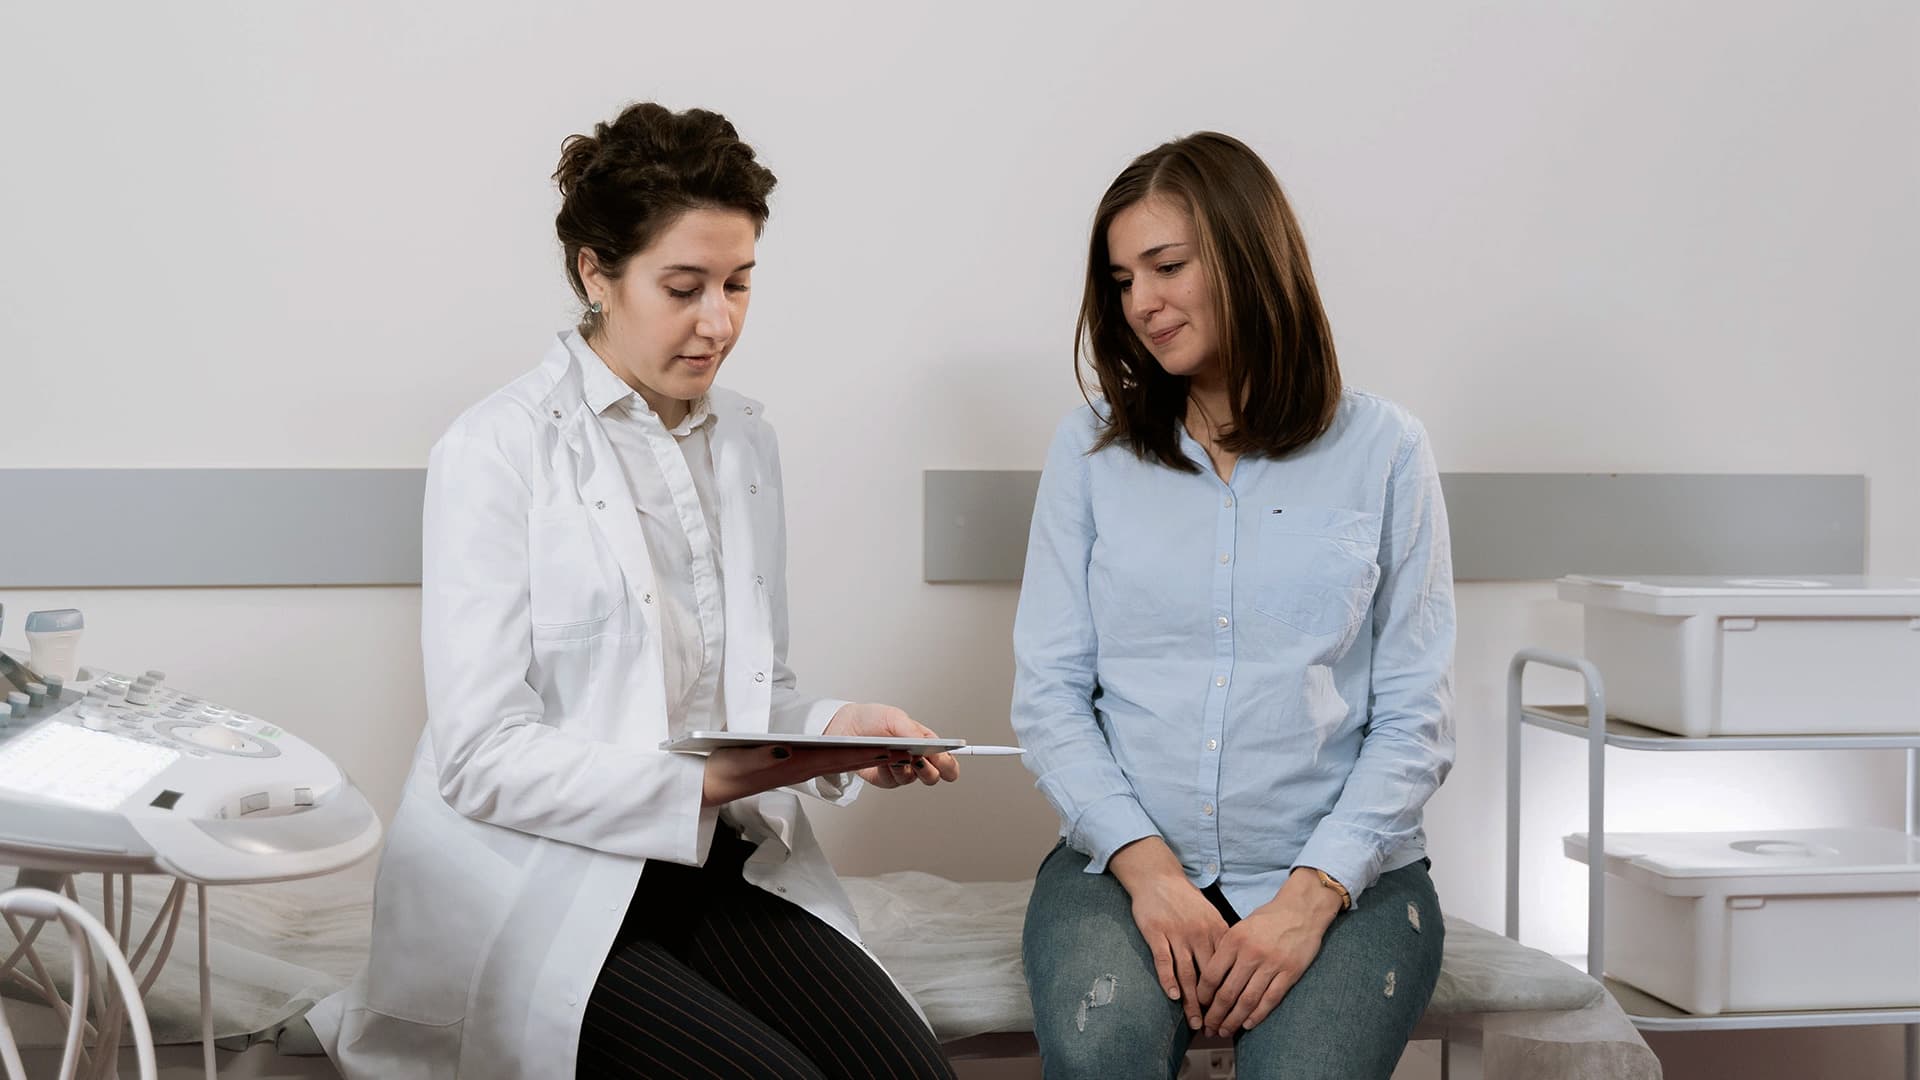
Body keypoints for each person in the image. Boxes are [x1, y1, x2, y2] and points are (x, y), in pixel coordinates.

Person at [309, 102, 958, 1080]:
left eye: (739, 283)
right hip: (540, 883)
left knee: (910, 1074)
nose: (719, 321)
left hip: (709, 860)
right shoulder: (497, 450)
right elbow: (479, 757)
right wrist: (703, 782)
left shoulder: (745, 443)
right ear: (595, 274)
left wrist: (840, 728)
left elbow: (749, 695)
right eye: (684, 287)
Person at [1012, 131, 1455, 1080]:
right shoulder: (1089, 452)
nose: (1142, 303)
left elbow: (1415, 715)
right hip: (1123, 866)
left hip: (1341, 876)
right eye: (1122, 281)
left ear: (1250, 256)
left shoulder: (1386, 450)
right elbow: (1049, 694)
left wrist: (1310, 897)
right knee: (1102, 1057)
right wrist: (1149, 871)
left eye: (1167, 266)